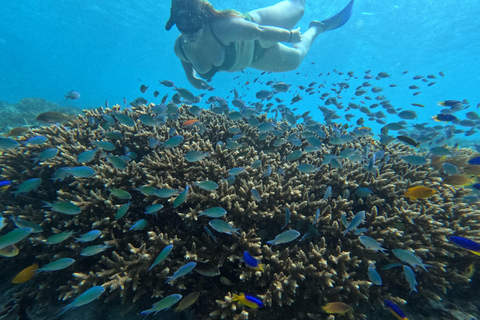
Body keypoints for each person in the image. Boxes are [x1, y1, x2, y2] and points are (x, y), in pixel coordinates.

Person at [165, 0, 354, 89]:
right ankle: (318, 28)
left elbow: (260, 31)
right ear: (175, 23)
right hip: (255, 57)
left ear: (203, 17)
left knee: (299, 8)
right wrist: (191, 78)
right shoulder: (181, 48)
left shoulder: (222, 27)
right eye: (182, 25)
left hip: (260, 27)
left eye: (195, 22)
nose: (190, 31)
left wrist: (289, 36)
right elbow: (184, 59)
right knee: (295, 60)